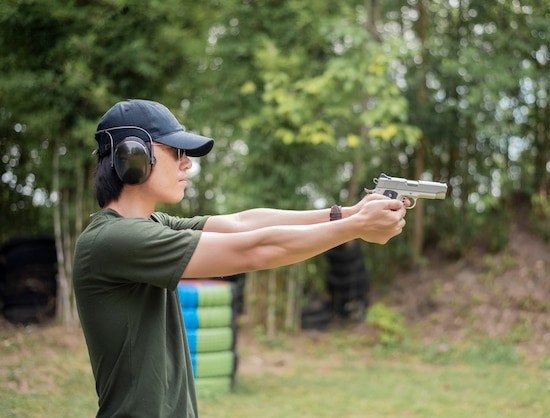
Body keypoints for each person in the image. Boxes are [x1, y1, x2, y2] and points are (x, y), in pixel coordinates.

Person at [73, 99, 407, 417]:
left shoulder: (152, 226)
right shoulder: (114, 240)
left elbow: (242, 224)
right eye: (176, 152)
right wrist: (356, 227)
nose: (187, 163)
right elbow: (251, 250)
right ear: (133, 156)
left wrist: (345, 214)